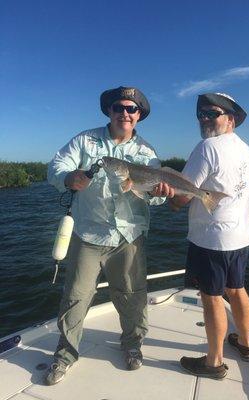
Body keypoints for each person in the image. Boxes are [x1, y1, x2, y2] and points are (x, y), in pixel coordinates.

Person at [46, 86, 174, 385]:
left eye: (132, 109)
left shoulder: (148, 154)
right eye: (119, 107)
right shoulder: (85, 140)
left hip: (128, 237)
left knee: (132, 296)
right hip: (88, 232)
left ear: (139, 115)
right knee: (76, 296)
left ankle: (132, 345)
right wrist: (69, 178)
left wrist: (161, 194)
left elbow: (153, 198)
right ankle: (65, 353)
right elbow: (55, 167)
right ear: (110, 111)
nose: (125, 113)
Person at [169, 92, 249, 380]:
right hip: (240, 236)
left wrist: (169, 197)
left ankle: (214, 362)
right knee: (237, 289)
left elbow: (182, 196)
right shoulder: (245, 148)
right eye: (201, 114)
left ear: (230, 119)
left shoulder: (207, 148)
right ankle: (245, 344)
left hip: (211, 240)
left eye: (212, 113)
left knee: (212, 298)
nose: (204, 118)